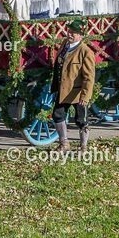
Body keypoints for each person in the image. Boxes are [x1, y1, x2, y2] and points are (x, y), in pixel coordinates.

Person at [51, 18, 95, 152]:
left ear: (80, 36)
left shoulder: (85, 52)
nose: (70, 34)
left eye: (74, 33)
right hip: (63, 89)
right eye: (69, 31)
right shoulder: (64, 44)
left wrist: (85, 96)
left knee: (81, 120)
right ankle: (64, 143)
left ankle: (83, 146)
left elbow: (89, 77)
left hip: (77, 92)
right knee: (57, 115)